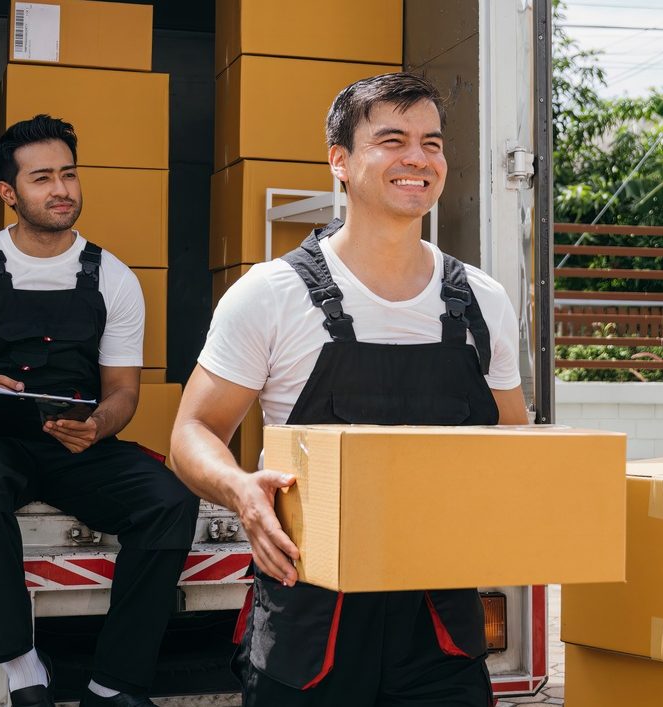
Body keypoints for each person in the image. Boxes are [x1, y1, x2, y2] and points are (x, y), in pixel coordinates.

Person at [168, 73, 529, 706]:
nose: (418, 157)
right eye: (392, 140)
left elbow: (514, 443)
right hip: (311, 626)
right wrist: (240, 493)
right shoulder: (270, 294)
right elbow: (192, 432)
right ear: (339, 160)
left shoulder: (482, 301)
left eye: (432, 143)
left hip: (441, 628)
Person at [0, 114, 198, 707]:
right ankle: (21, 665)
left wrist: (98, 426)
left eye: (68, 174)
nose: (61, 189)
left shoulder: (113, 278)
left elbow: (124, 391)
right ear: (8, 193)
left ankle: (114, 682)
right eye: (42, 178)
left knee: (170, 501)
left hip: (76, 445)